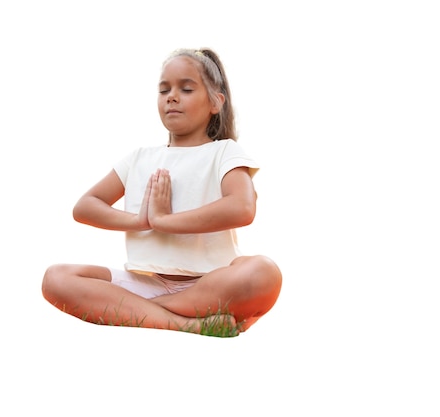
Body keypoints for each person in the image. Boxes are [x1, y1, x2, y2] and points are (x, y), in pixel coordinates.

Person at [42, 47, 282, 337]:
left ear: (215, 102)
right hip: (148, 282)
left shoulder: (224, 152)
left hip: (210, 283)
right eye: (164, 89)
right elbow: (85, 207)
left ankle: (141, 309)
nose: (172, 96)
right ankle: (188, 323)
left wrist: (164, 221)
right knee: (56, 278)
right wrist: (141, 220)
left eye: (187, 88)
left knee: (264, 272)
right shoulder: (139, 157)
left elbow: (242, 208)